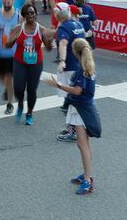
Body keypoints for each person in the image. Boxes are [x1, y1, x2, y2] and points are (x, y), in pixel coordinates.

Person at [45, 38, 101, 195]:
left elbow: (77, 90)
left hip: (81, 110)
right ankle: (86, 174)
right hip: (83, 108)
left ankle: (88, 179)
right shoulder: (87, 66)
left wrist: (58, 85)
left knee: (82, 145)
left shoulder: (82, 68)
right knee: (84, 145)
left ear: (75, 52)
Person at [5, 4, 53, 125]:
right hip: (19, 62)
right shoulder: (18, 28)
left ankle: (29, 113)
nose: (31, 15)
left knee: (32, 90)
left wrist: (48, 40)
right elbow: (8, 45)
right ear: (24, 15)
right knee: (18, 88)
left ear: (35, 14)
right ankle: (20, 104)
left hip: (35, 64)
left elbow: (49, 49)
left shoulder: (41, 29)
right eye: (28, 13)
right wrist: (12, 38)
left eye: (33, 13)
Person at [54, 2, 86, 142]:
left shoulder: (64, 28)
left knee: (70, 99)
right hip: (80, 65)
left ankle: (72, 130)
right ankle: (73, 128)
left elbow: (63, 43)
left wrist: (62, 61)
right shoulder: (78, 25)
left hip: (69, 68)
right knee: (73, 99)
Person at [0, 0, 20, 115]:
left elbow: (21, 34)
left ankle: (9, 104)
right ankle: (7, 92)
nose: (7, 5)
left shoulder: (18, 16)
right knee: (1, 77)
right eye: (5, 3)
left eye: (9, 3)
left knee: (8, 79)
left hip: (12, 53)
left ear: (12, 1)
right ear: (2, 1)